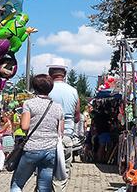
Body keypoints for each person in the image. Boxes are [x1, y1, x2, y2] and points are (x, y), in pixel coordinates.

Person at [10, 74, 63, 192]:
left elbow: (25, 126)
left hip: (32, 148)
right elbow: (61, 131)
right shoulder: (58, 107)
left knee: (17, 184)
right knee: (44, 187)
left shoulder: (29, 104)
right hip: (50, 150)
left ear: (34, 88)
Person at [47, 64, 80, 192]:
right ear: (65, 75)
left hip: (47, 136)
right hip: (66, 135)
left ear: (50, 74)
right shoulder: (73, 91)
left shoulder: (46, 90)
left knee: (45, 171)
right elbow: (77, 116)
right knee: (62, 172)